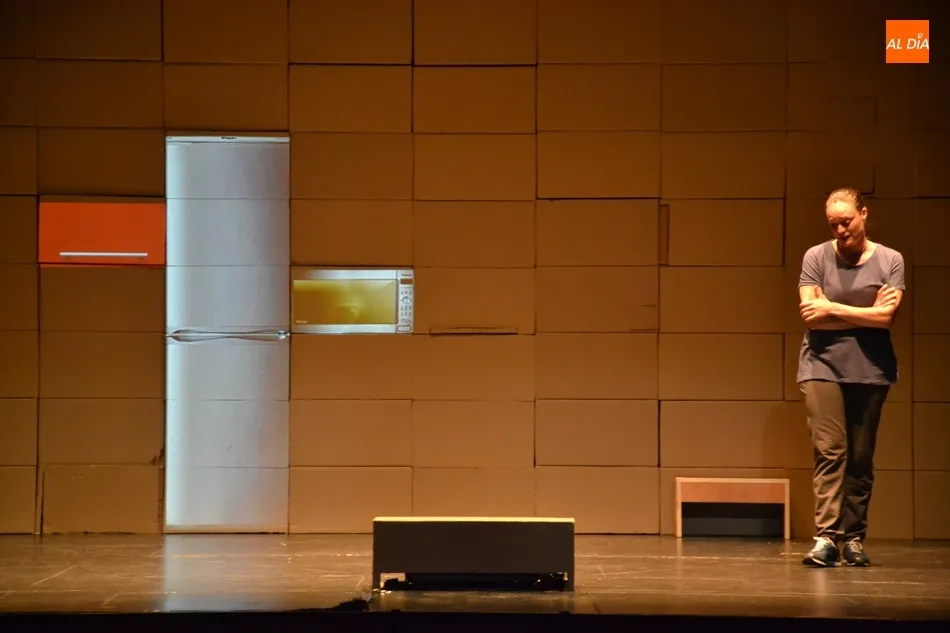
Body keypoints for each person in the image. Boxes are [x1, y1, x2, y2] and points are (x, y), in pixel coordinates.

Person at [796, 187, 905, 568]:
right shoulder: (816, 257)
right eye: (834, 224)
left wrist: (831, 307)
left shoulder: (890, 260)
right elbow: (811, 317)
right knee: (830, 449)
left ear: (863, 214)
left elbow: (886, 318)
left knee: (860, 456)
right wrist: (863, 314)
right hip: (821, 365)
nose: (841, 230)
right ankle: (826, 537)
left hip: (870, 368)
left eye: (847, 221)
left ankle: (853, 538)